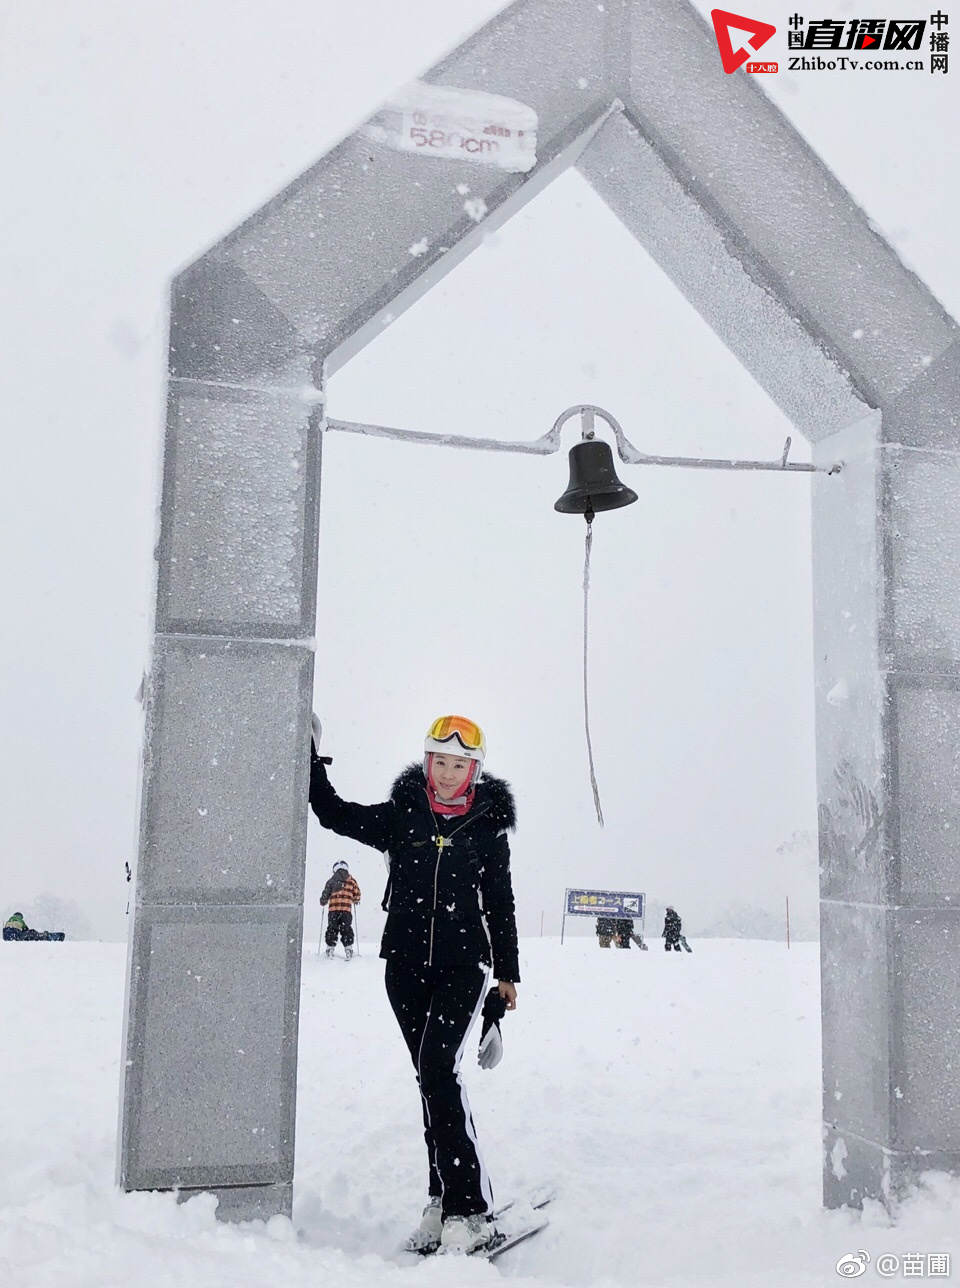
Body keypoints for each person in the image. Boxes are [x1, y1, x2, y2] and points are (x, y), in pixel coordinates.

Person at [308, 714, 519, 1255]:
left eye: (460, 765)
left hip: (463, 967)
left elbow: (500, 903)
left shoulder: (488, 829)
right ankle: (440, 1199)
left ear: (474, 771)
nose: (449, 774)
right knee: (430, 1081)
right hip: (402, 967)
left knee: (437, 1072)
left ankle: (469, 1209)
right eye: (441, 763)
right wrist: (308, 759)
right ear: (428, 764)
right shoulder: (403, 815)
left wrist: (508, 974)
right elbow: (334, 815)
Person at [320, 860, 361, 959]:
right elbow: (357, 895)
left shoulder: (331, 880)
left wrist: (323, 901)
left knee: (332, 929)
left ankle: (330, 949)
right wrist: (355, 900)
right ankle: (348, 950)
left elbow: (325, 896)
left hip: (333, 910)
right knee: (346, 929)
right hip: (346, 911)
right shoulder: (352, 881)